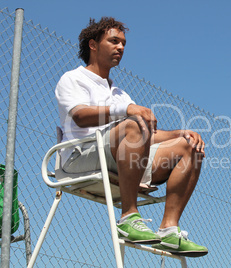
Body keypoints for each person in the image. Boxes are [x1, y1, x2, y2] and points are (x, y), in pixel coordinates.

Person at [55, 17, 208, 257]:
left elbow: (146, 134)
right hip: (79, 157)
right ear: (93, 45)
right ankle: (128, 218)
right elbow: (80, 116)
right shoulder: (73, 78)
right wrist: (127, 110)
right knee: (134, 123)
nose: (121, 48)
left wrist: (182, 133)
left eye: (123, 43)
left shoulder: (120, 93)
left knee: (190, 147)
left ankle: (169, 230)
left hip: (121, 157)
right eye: (114, 41)